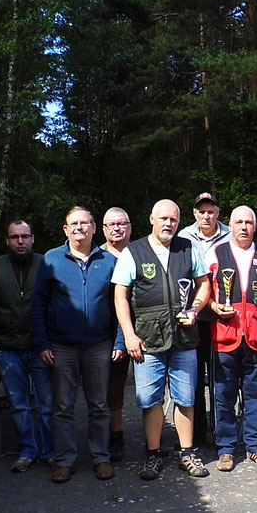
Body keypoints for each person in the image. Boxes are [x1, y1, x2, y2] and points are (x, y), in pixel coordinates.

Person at [115, 199, 212, 479]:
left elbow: (204, 283)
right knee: (150, 400)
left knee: (186, 398)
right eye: (163, 218)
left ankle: (187, 453)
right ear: (151, 219)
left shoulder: (188, 248)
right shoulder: (133, 252)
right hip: (147, 339)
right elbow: (120, 296)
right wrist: (129, 335)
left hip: (183, 338)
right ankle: (153, 455)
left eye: (173, 219)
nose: (168, 223)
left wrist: (195, 309)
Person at [31, 207, 122, 484]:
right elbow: (38, 305)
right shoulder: (51, 260)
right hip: (61, 345)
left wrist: (119, 339)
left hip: (99, 344)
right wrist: (42, 342)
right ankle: (65, 460)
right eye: (74, 224)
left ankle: (101, 457)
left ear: (95, 227)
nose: (79, 228)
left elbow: (119, 304)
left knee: (99, 405)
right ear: (65, 229)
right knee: (63, 407)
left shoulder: (108, 260)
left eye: (84, 223)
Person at [207, 206, 257, 471]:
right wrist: (212, 305)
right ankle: (226, 449)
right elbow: (201, 289)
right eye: (238, 222)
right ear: (230, 225)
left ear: (255, 226)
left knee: (256, 395)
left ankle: (256, 447)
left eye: (248, 222)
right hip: (224, 336)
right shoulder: (215, 253)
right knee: (224, 395)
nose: (243, 227)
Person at [0, 220, 55, 473]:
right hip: (9, 346)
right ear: (7, 241)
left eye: (24, 236)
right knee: (18, 404)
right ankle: (28, 451)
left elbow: (54, 300)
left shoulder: (46, 263)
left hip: (40, 346)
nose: (20, 242)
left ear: (33, 238)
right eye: (14, 237)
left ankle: (50, 451)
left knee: (47, 403)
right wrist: (4, 324)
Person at [178, 192, 230, 445]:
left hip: (224, 318)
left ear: (218, 213)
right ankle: (195, 433)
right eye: (202, 211)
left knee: (221, 377)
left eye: (211, 211)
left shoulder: (231, 235)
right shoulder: (183, 238)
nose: (206, 215)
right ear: (195, 213)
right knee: (194, 377)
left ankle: (222, 434)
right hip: (193, 318)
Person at [101, 207, 133, 462]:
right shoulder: (96, 256)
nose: (116, 228)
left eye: (121, 224)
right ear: (103, 229)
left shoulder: (141, 252)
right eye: (111, 224)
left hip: (144, 328)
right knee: (111, 387)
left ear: (130, 227)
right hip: (109, 333)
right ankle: (114, 435)